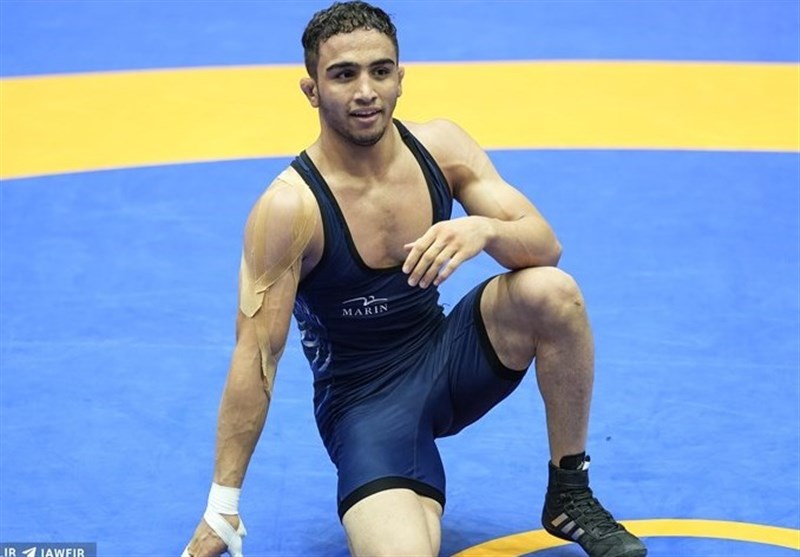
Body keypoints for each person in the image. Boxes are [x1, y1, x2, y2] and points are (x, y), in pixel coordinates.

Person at [183, 2, 647, 556]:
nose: (366, 92)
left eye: (380, 71)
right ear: (312, 90)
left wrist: (483, 231)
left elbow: (546, 246)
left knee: (552, 291)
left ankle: (569, 491)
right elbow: (256, 355)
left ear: (400, 78)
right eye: (344, 75)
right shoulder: (290, 209)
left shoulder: (442, 150)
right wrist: (222, 505)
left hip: (448, 359)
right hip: (364, 406)